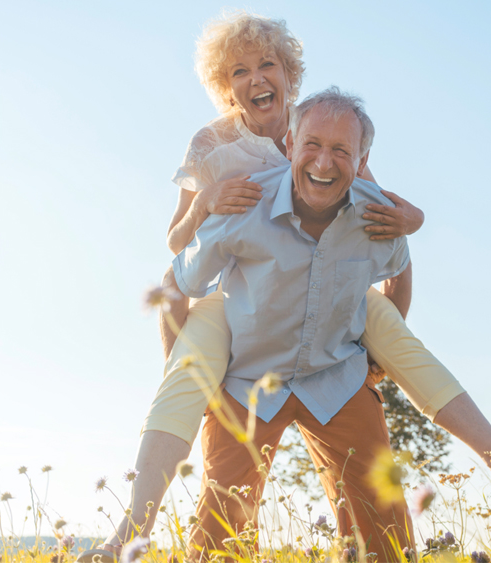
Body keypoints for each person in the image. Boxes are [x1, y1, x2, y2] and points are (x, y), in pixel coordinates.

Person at [77, 11, 491, 563]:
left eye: (268, 64)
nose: (256, 78)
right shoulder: (218, 151)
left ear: (290, 75)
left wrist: (413, 224)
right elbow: (178, 252)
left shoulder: (329, 135)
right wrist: (207, 203)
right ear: (228, 88)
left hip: (332, 313)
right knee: (192, 390)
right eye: (239, 71)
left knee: (395, 342)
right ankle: (129, 534)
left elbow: (384, 222)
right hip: (245, 305)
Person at [177, 88, 413, 559]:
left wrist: (376, 363)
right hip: (248, 379)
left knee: (383, 524)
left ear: (362, 160)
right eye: (313, 144)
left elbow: (399, 268)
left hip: (336, 376)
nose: (324, 162)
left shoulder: (375, 214)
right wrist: (194, 377)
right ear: (290, 144)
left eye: (341, 150)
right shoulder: (246, 201)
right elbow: (183, 280)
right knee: (220, 526)